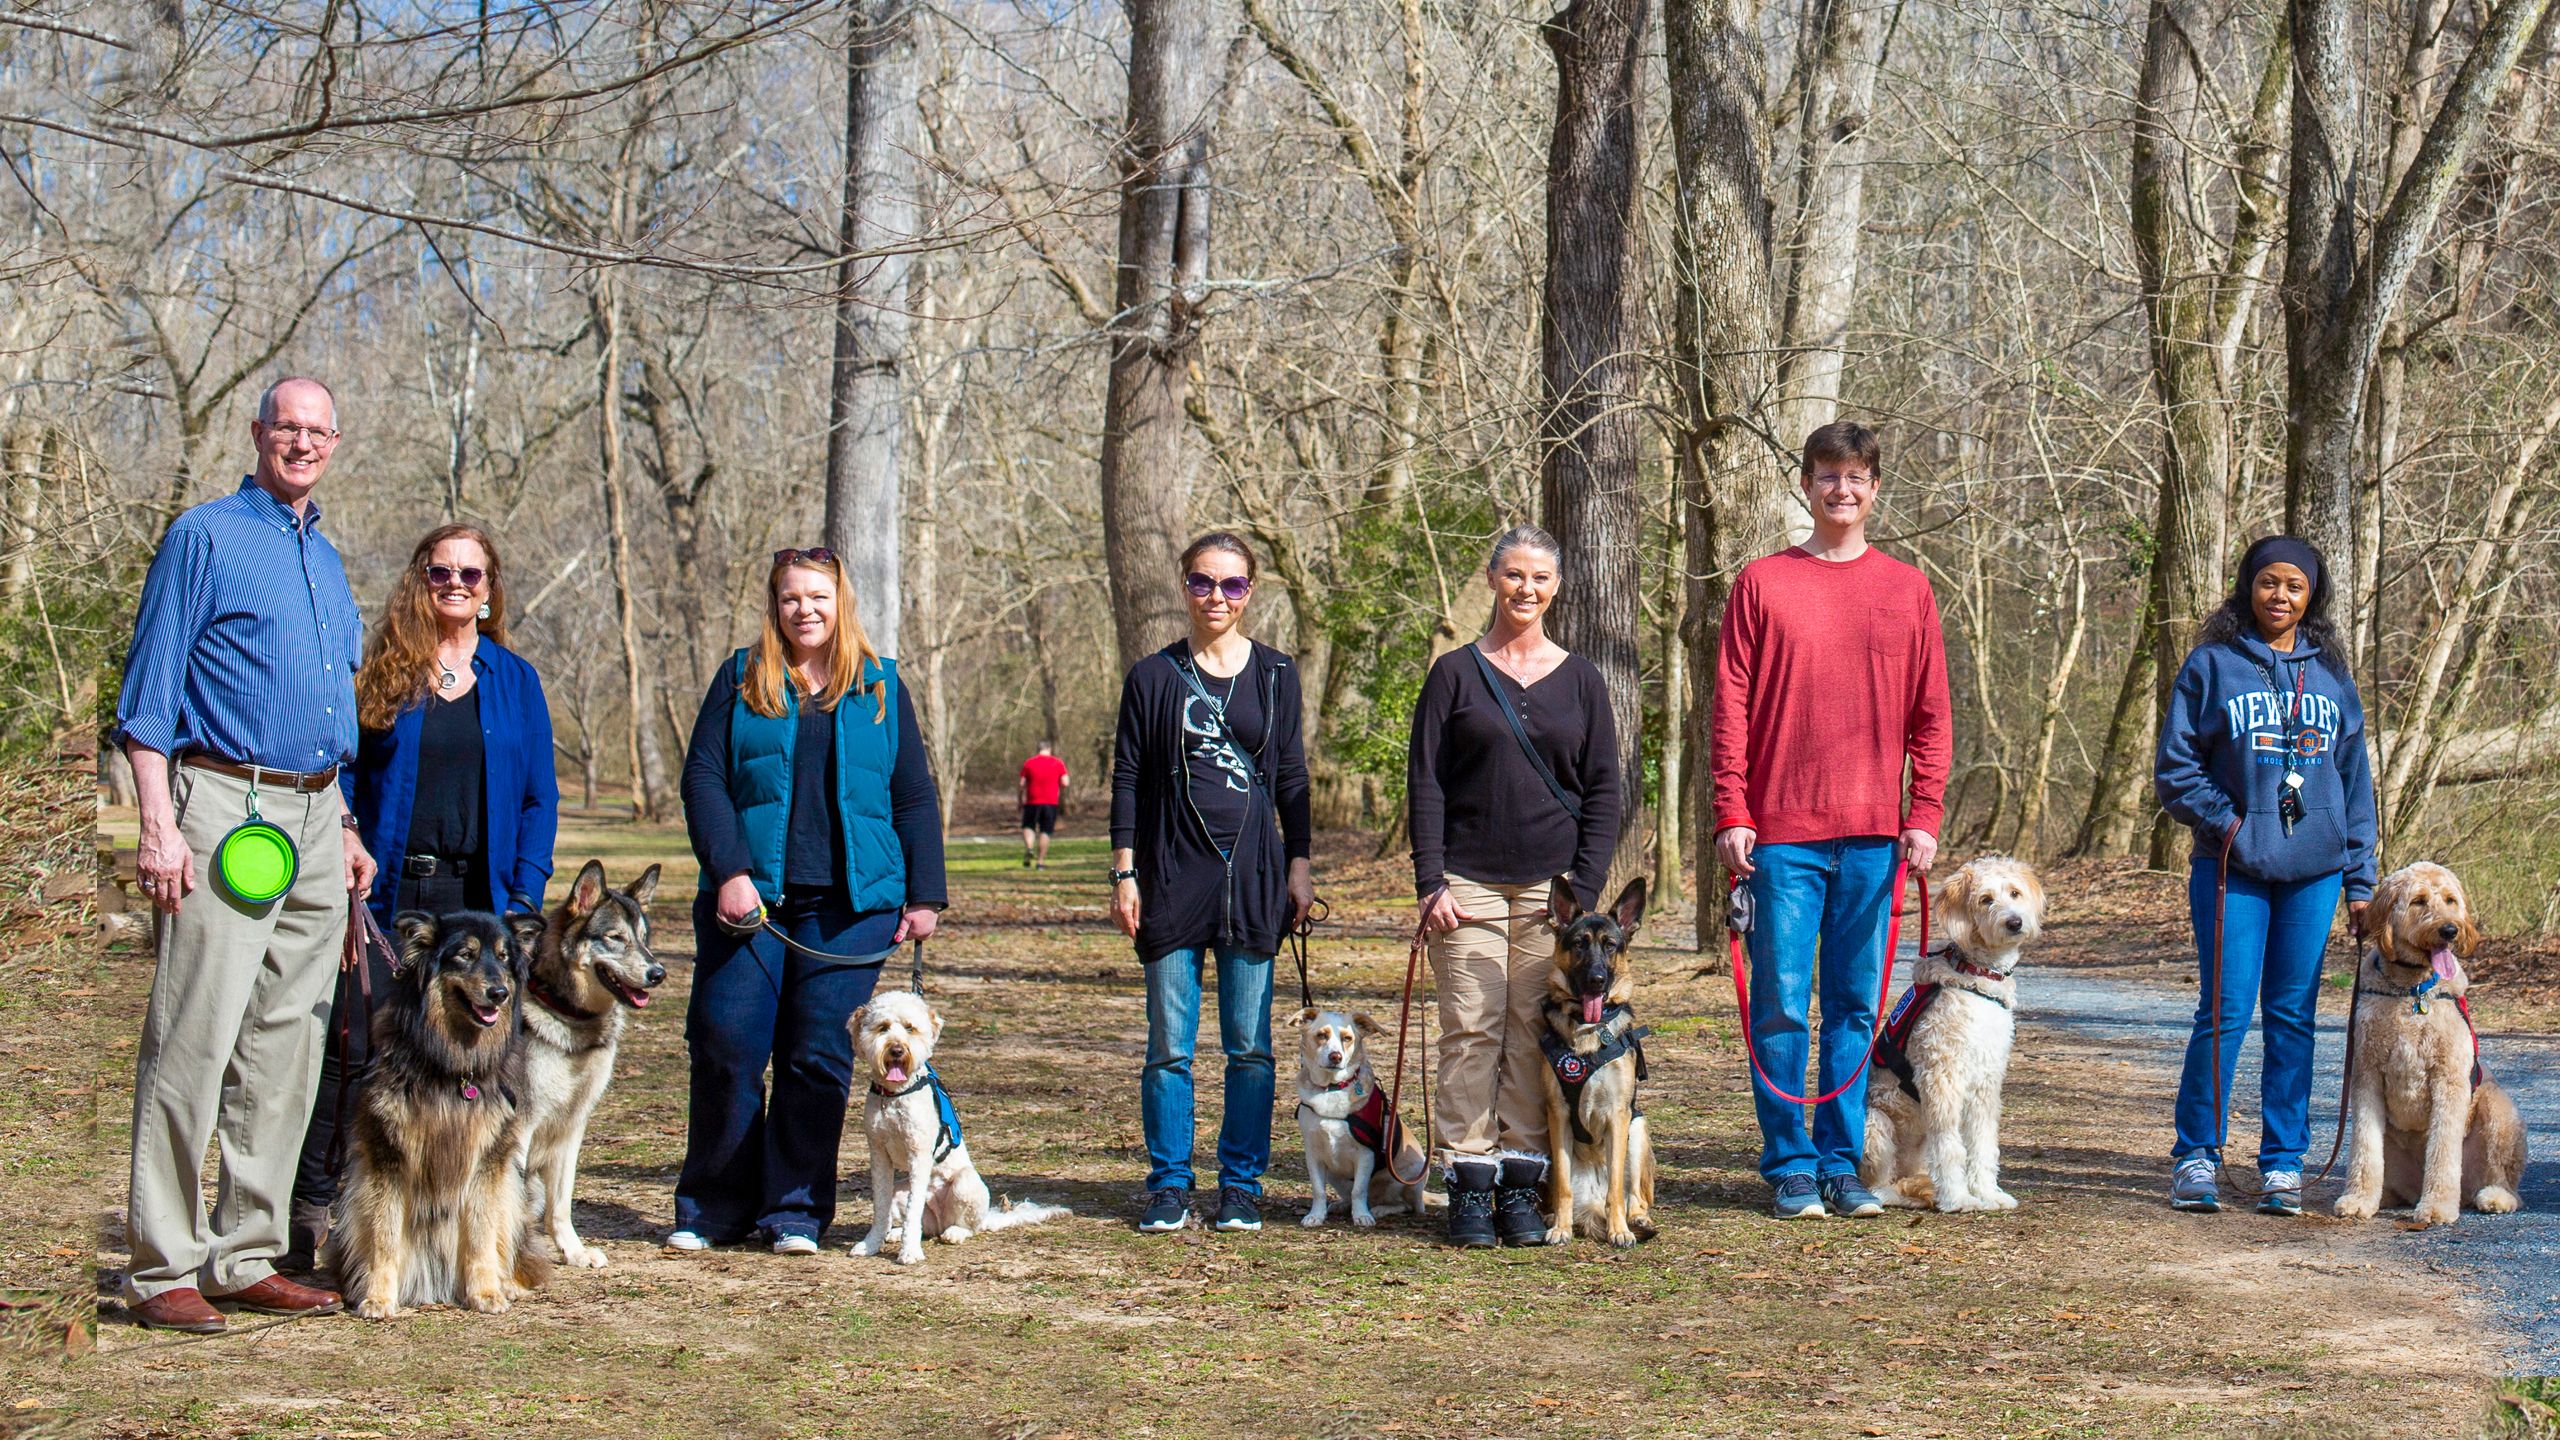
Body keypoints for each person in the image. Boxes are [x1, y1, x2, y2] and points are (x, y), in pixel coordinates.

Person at [112, 376, 376, 1330]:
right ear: (258, 432)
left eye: (317, 431)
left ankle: (245, 1252)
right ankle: (162, 1268)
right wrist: (157, 823)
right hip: (223, 808)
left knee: (287, 1047)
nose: (301, 443)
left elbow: (328, 711)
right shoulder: (206, 537)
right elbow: (148, 701)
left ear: (334, 443)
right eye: (286, 427)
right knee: (195, 1037)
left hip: (316, 816)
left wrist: (343, 822)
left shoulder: (329, 560)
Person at [284, 523, 559, 1270]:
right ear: (421, 580)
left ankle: (458, 1220)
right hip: (390, 891)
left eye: (472, 574)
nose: (457, 585)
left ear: (490, 588)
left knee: (480, 1061)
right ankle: (312, 1208)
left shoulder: (515, 680)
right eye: (442, 572)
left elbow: (539, 797)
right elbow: (341, 769)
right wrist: (347, 838)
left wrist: (524, 896)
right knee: (356, 1047)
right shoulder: (385, 670)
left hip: (482, 898)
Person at [673, 546, 945, 1254]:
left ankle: (794, 1212)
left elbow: (913, 794)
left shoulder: (880, 684)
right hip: (749, 901)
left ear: (840, 602)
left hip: (852, 908)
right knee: (727, 1045)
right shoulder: (741, 677)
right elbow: (703, 778)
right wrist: (729, 871)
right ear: (775, 605)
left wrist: (925, 893)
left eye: (818, 597)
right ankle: (713, 1209)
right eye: (791, 597)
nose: (805, 610)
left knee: (817, 1056)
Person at [1712, 420, 1951, 1222]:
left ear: (1875, 489)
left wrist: (1923, 813)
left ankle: (1839, 1163)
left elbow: (1931, 715)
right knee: (1780, 1003)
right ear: (1807, 484)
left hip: (1875, 838)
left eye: (1855, 477)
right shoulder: (1762, 583)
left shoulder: (1908, 590)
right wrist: (1732, 809)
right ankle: (1789, 1164)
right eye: (1827, 476)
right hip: (1780, 835)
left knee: (1854, 1006)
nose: (1840, 490)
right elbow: (1730, 707)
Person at [1406, 524, 1623, 1247]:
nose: (1526, 589)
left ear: (1556, 587)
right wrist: (1430, 880)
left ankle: (1523, 1181)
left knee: (1535, 1033)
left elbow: (1604, 789)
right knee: (1471, 1030)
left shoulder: (1582, 680)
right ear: (1493, 579)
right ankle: (1469, 1179)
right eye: (1514, 575)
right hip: (1464, 884)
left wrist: (1582, 889)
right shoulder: (1454, 674)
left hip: (1549, 897)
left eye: (1541, 577)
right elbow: (1426, 782)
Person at [2154, 535, 2376, 1217]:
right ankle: (2197, 1155)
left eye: (2294, 586)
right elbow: (2176, 770)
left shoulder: (2331, 675)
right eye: (2268, 582)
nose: (2280, 596)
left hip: (2316, 874)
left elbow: (2354, 783)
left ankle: (2283, 1163)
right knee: (2224, 1012)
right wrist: (2230, 826)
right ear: (2248, 587)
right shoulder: (2212, 665)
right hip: (2231, 869)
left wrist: (2361, 882)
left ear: (2312, 595)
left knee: (2293, 1017)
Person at [1109, 532, 1314, 1236]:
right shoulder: (1152, 676)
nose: (1216, 596)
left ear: (1250, 591)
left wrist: (1300, 864)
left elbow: (1291, 775)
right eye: (1202, 582)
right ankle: (1169, 1184)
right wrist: (1125, 871)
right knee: (1170, 1046)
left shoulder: (1277, 674)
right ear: (1185, 587)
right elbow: (1128, 777)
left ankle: (1241, 1185)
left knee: (1249, 1047)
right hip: (1171, 876)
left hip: (1253, 878)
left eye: (1231, 584)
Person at [1019, 740, 1069, 868]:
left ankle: (1029, 848)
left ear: (1038, 749)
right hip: (1050, 802)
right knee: (1045, 831)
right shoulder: (1058, 763)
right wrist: (1057, 788)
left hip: (1032, 801)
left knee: (1028, 826)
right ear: (1049, 749)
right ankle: (1040, 862)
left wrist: (1020, 800)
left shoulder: (1029, 762)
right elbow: (1065, 782)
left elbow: (1021, 784)